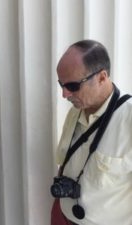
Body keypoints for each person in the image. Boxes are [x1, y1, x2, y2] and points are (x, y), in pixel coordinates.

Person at [51, 39, 132, 225]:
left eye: (72, 86)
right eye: (61, 84)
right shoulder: (75, 112)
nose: (64, 94)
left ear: (102, 77)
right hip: (63, 217)